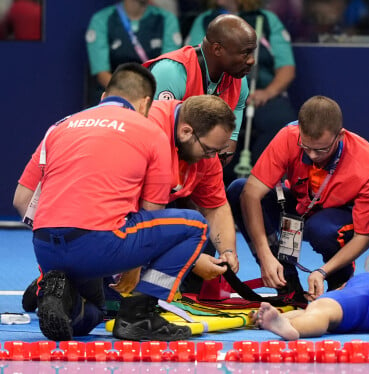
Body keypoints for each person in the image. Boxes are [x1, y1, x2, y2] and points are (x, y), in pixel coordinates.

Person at [12, 63, 226, 341]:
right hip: (99, 244)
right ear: (147, 103)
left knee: (95, 309)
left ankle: (59, 290)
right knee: (195, 226)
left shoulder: (60, 126)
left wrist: (63, 240)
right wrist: (130, 267)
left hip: (45, 247)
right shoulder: (151, 132)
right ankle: (141, 315)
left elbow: (21, 199)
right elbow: (151, 214)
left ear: (104, 97)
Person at [228, 95, 369, 302]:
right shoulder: (288, 136)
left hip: (333, 219)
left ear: (340, 135)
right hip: (297, 206)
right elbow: (251, 194)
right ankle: (287, 282)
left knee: (322, 228)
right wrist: (265, 254)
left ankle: (339, 283)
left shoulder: (367, 165)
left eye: (321, 149)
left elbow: (364, 237)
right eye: (306, 147)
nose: (311, 155)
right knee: (238, 189)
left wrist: (322, 271)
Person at [187, 0, 297, 185]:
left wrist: (267, 92)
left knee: (280, 122)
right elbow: (194, 60)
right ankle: (215, 184)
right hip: (217, 95)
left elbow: (286, 68)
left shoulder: (266, 20)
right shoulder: (206, 20)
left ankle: (260, 182)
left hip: (261, 96)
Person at [147, 95, 240, 291]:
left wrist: (228, 252)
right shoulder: (150, 132)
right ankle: (140, 301)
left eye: (217, 151)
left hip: (148, 213)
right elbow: (144, 217)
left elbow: (215, 207)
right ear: (186, 131)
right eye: (208, 150)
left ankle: (155, 298)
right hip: (107, 216)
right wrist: (192, 260)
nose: (212, 158)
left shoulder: (204, 150)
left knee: (196, 227)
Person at [144, 14, 257, 162]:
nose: (252, 60)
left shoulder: (238, 79)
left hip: (200, 162)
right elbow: (153, 137)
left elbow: (226, 149)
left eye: (252, 52)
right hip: (159, 159)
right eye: (245, 53)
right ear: (217, 49)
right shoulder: (171, 72)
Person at [85, 0, 181, 106]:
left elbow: (168, 69)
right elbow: (102, 74)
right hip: (113, 97)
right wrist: (128, 96)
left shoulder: (166, 18)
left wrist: (145, 97)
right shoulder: (102, 19)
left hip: (153, 97)